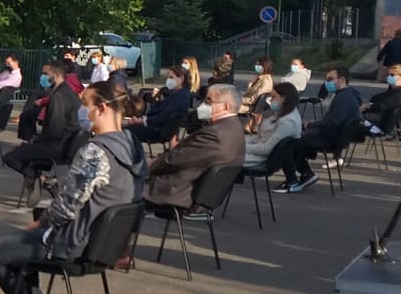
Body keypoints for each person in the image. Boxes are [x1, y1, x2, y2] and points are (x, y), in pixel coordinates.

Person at [0, 81, 146, 294]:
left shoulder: (95, 151)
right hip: (107, 247)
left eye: (84, 104)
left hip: (75, 245)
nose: (81, 111)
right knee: (23, 243)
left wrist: (41, 224)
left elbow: (67, 206)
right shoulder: (132, 146)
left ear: (102, 108)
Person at [144, 83, 244, 219]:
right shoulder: (233, 127)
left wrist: (150, 165)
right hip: (193, 190)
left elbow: (175, 160)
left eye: (209, 100)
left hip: (179, 193)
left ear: (225, 107)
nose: (203, 104)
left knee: (122, 184)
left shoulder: (215, 134)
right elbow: (188, 156)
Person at [271, 68, 364, 192]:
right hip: (331, 136)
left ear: (342, 79)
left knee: (287, 142)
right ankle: (305, 174)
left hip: (329, 138)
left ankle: (293, 181)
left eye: (330, 79)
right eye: (326, 79)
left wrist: (310, 125)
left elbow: (333, 122)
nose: (327, 82)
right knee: (294, 140)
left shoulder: (344, 97)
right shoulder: (347, 95)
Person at [4, 61, 82, 180]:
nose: (43, 77)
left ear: (56, 75)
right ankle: (36, 177)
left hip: (57, 146)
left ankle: (41, 178)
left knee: (10, 157)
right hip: (65, 144)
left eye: (46, 74)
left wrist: (35, 140)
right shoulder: (68, 92)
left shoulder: (58, 97)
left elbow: (54, 129)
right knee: (23, 150)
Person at [126, 66, 192, 144]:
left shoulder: (180, 96)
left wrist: (143, 121)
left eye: (171, 77)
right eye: (168, 77)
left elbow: (164, 116)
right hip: (160, 129)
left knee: (125, 131)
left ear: (181, 78)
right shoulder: (180, 94)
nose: (168, 80)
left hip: (158, 130)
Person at [244, 82, 303, 169]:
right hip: (258, 153)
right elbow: (261, 138)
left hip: (262, 159)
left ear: (284, 98)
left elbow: (266, 149)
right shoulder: (282, 113)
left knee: (224, 157)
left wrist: (241, 147)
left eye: (273, 97)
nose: (271, 100)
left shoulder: (288, 122)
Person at [363, 65, 401, 133]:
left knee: (354, 117)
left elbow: (382, 106)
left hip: (381, 125)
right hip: (378, 119)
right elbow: (377, 98)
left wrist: (367, 106)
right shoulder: (394, 91)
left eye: (392, 75)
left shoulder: (400, 94)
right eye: (389, 74)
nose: (389, 77)